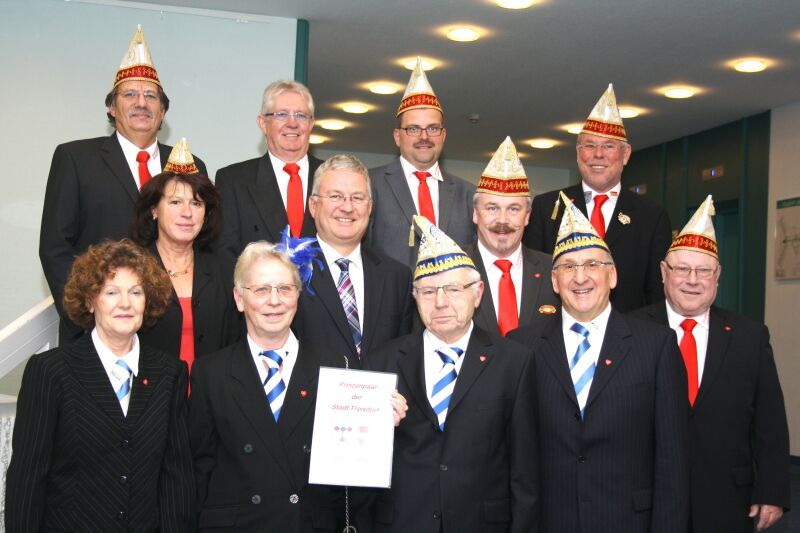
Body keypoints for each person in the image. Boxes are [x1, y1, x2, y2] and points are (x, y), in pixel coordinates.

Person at [188, 239, 407, 532]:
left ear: (298, 296)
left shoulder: (335, 367)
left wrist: (379, 427)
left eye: (285, 289)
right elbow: (198, 471)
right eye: (261, 290)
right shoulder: (210, 373)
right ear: (239, 298)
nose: (274, 300)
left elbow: (353, 476)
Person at [509, 193, 688, 532]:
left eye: (593, 264)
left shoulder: (656, 346)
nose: (580, 278)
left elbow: (673, 459)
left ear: (613, 276)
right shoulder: (521, 347)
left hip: (628, 521)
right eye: (568, 267)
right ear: (553, 280)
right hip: (550, 521)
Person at [6, 239, 194, 532]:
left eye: (136, 292)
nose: (125, 303)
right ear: (90, 301)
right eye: (111, 292)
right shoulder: (51, 372)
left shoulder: (169, 374)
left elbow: (176, 479)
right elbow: (27, 481)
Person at [365, 215, 538, 532]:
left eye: (454, 289)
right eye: (428, 291)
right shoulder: (382, 362)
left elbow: (525, 469)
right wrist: (374, 427)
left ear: (478, 293)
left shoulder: (514, 362)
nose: (441, 302)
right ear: (415, 298)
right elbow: (357, 462)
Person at [630, 195, 790, 533]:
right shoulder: (629, 331)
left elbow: (770, 421)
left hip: (727, 501)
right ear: (664, 273)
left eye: (704, 271)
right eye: (682, 269)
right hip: (647, 500)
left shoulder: (750, 337)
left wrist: (772, 491)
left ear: (717, 276)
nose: (693, 280)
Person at [39, 25, 206, 344]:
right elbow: (55, 248)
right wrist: (88, 314)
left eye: (151, 96)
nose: (141, 103)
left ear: (163, 111)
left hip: (171, 332)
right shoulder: (75, 159)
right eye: (130, 94)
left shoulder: (189, 164)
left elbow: (203, 243)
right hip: (97, 329)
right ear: (112, 107)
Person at [523, 84, 671, 312]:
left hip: (627, 329)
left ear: (625, 154)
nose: (598, 154)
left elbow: (657, 293)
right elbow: (533, 282)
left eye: (608, 146)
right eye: (590, 145)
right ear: (578, 152)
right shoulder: (547, 207)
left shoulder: (651, 216)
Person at [292, 154, 414, 369]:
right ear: (313, 205)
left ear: (370, 207)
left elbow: (405, 356)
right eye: (335, 196)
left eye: (357, 198)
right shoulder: (288, 270)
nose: (347, 208)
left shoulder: (397, 277)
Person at [132, 138, 239, 371]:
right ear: (154, 210)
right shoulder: (132, 270)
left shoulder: (226, 272)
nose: (187, 213)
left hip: (211, 390)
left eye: (197, 204)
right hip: (148, 389)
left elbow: (235, 345)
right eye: (175, 202)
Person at [367, 57, 475, 268]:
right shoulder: (369, 185)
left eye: (432, 128)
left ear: (443, 135)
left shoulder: (468, 195)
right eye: (413, 129)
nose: (424, 137)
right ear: (397, 137)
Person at [216, 80, 322, 264]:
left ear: (311, 123)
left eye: (301, 115)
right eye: (282, 114)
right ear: (263, 123)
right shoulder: (233, 180)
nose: (292, 123)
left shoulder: (332, 178)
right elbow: (225, 256)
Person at [462, 137, 559, 336]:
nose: (502, 220)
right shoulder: (451, 267)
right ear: (475, 214)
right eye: (492, 208)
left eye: (513, 209)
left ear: (527, 216)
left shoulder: (555, 270)